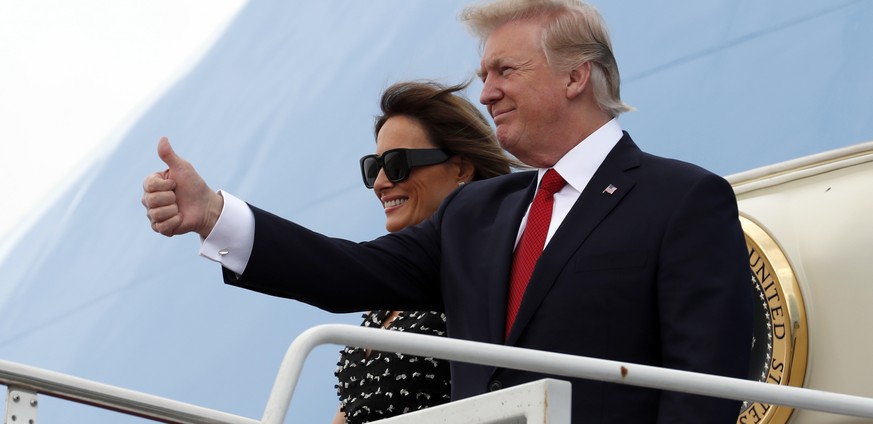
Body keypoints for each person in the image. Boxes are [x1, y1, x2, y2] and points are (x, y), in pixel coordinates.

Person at [142, 0, 753, 422]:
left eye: (504, 70)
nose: (485, 91)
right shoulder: (475, 214)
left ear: (575, 77)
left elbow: (703, 387)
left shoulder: (681, 202)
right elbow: (346, 271)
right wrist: (214, 213)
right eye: (484, 73)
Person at [331, 81, 516, 424]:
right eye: (374, 168)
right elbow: (354, 408)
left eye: (398, 164)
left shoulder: (489, 270)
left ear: (461, 168)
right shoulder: (388, 294)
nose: (382, 182)